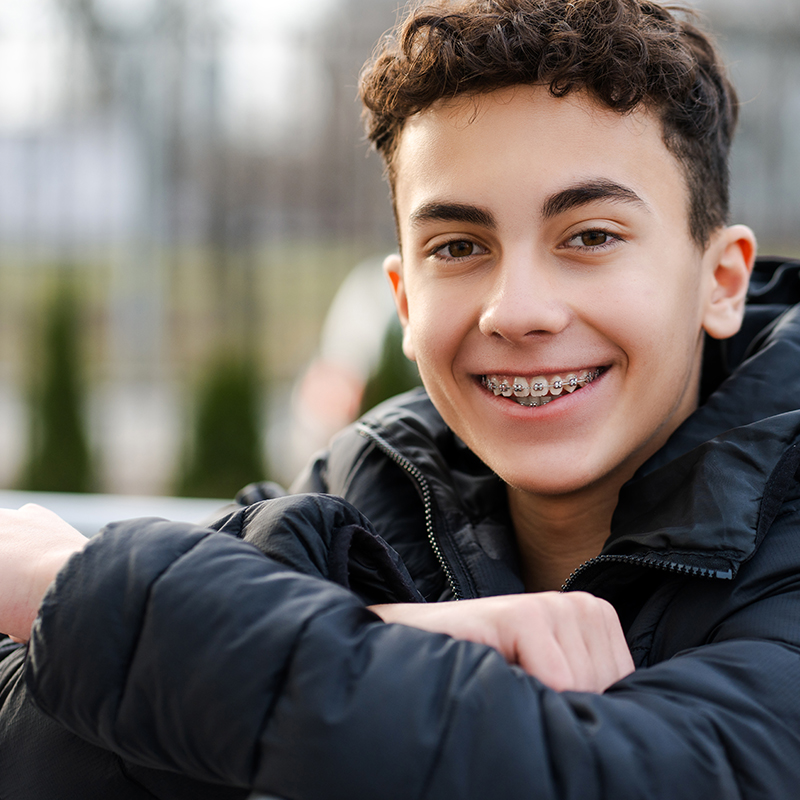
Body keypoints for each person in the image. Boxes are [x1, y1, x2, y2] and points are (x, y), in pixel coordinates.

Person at [3, 0, 800, 797]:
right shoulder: (371, 489)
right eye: (458, 247)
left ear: (720, 280)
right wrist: (395, 634)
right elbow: (38, 751)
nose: (515, 310)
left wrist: (69, 588)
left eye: (591, 236)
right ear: (406, 303)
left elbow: (631, 773)